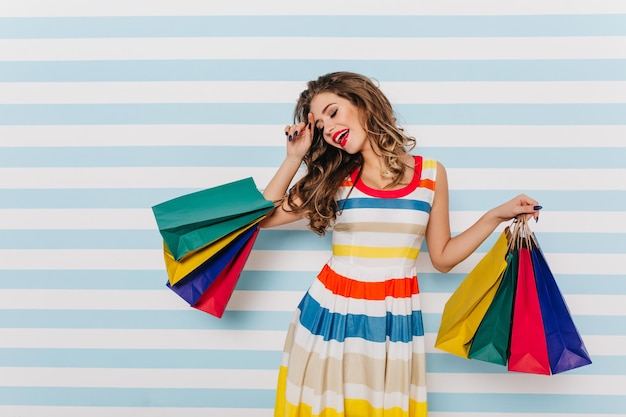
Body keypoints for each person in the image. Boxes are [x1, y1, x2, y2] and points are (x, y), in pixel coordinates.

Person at [260, 71, 540, 417]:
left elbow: (443, 258)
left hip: (393, 318)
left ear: (362, 103)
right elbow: (262, 217)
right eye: (320, 125)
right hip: (330, 316)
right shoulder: (334, 180)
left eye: (333, 112)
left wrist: (496, 215)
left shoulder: (431, 174)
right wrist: (293, 158)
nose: (329, 128)